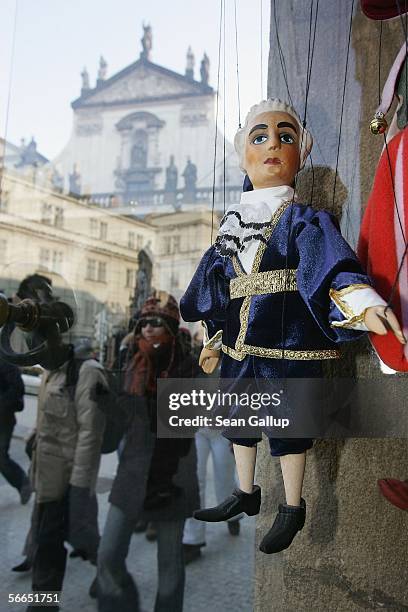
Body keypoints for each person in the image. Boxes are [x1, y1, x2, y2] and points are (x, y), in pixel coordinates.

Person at [180, 98, 405, 555]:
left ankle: (292, 506)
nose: (272, 146)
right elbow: (216, 282)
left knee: (288, 427)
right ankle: (245, 493)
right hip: (242, 344)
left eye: (286, 137)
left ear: (303, 151)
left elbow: (333, 266)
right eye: (259, 137)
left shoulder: (305, 219)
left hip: (288, 339)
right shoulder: (231, 224)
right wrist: (214, 337)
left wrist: (364, 302)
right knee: (237, 420)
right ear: (242, 150)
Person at [97, 292, 199, 612]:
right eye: (144, 324)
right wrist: (105, 403)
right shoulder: (129, 361)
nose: (149, 330)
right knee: (108, 556)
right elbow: (117, 428)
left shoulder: (187, 365)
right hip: (133, 470)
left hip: (173, 474)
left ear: (171, 328)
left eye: (158, 323)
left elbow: (191, 420)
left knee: (169, 568)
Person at [27, 339, 106, 611]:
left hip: (70, 475)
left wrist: (79, 484)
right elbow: (47, 421)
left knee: (62, 538)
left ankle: (108, 572)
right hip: (47, 474)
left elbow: (90, 433)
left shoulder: (86, 372)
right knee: (51, 537)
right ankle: (43, 602)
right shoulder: (51, 370)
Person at [0, 358, 31, 503]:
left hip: (3, 419)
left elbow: (18, 388)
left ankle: (23, 483)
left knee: (1, 458)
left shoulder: (5, 362)